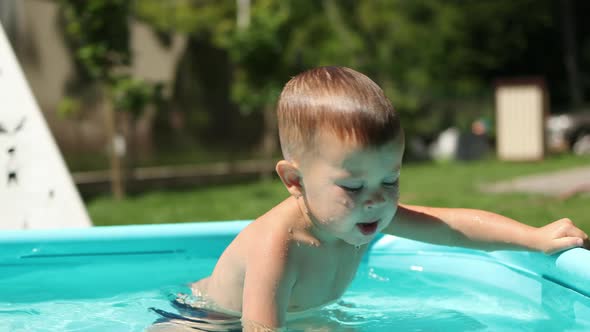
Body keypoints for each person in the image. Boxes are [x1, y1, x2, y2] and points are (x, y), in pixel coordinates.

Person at [188, 66, 588, 329]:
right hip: (205, 320)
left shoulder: (361, 214)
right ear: (294, 180)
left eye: (391, 180)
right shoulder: (278, 247)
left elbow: (453, 228)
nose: (376, 200)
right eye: (353, 186)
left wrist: (534, 238)